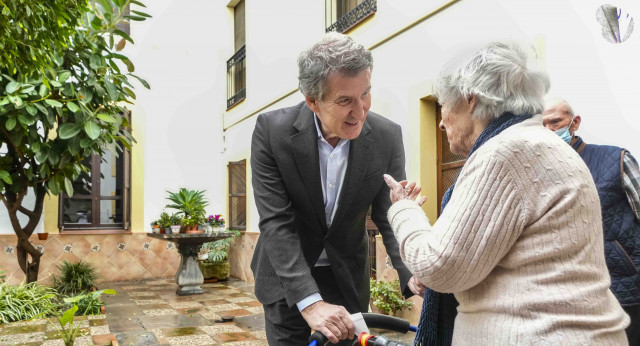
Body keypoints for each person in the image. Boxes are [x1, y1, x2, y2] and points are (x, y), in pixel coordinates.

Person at [383, 41, 629, 345]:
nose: (441, 121)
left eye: (443, 106)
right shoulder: (532, 143)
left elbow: (439, 266)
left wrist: (405, 210)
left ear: (470, 99)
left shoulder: (508, 152)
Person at [250, 32, 415, 345]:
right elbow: (276, 222)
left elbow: (388, 214)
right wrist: (310, 302)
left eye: (365, 94)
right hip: (288, 282)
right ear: (313, 101)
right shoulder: (272, 132)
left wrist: (412, 272)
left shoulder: (387, 136)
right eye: (345, 101)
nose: (361, 111)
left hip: (347, 280)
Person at [543, 97, 640, 345]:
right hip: (569, 297)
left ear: (574, 123)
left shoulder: (616, 159)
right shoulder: (542, 173)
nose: (549, 130)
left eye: (555, 122)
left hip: (623, 290)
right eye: (541, 125)